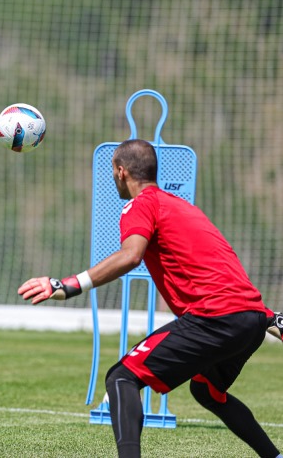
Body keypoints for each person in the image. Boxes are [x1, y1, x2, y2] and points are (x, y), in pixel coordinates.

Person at [17, 139, 282, 458]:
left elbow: (131, 257)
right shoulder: (183, 208)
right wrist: (268, 318)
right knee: (207, 392)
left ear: (120, 171)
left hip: (214, 318)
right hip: (250, 317)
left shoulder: (140, 205)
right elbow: (222, 271)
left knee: (121, 377)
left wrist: (70, 285)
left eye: (113, 172)